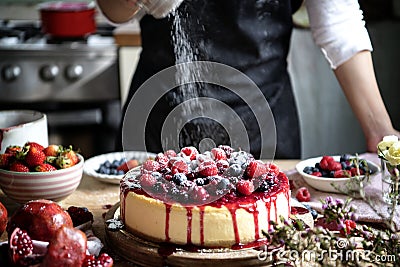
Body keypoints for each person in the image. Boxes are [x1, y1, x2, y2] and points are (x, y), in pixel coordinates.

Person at [97, 0, 400, 159]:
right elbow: (112, 9)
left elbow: (338, 22)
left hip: (262, 127)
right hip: (158, 124)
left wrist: (380, 130)